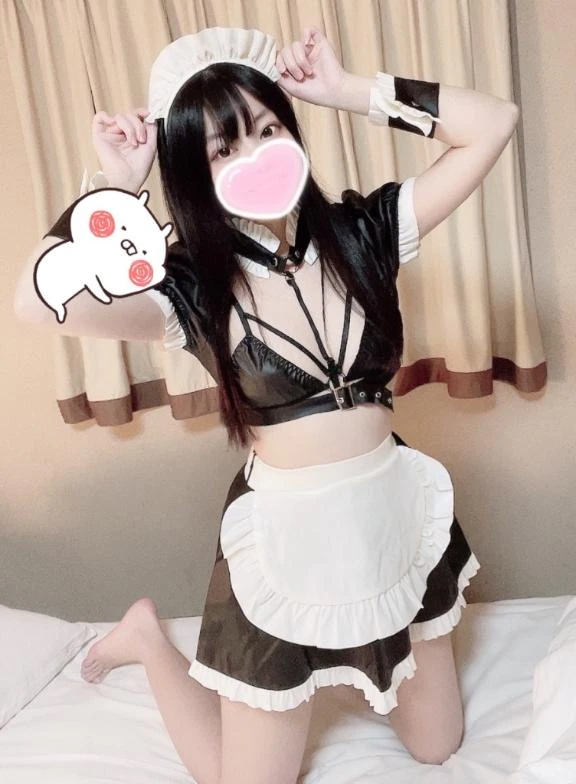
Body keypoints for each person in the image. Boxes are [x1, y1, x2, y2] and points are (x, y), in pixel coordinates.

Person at [14, 25, 518, 784]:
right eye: (223, 149)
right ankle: (148, 641)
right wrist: (116, 189)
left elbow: (494, 124)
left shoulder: (366, 232)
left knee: (437, 747)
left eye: (267, 129)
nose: (253, 156)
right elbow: (35, 302)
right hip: (287, 536)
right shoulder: (187, 288)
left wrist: (349, 91)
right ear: (195, 172)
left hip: (389, 511)